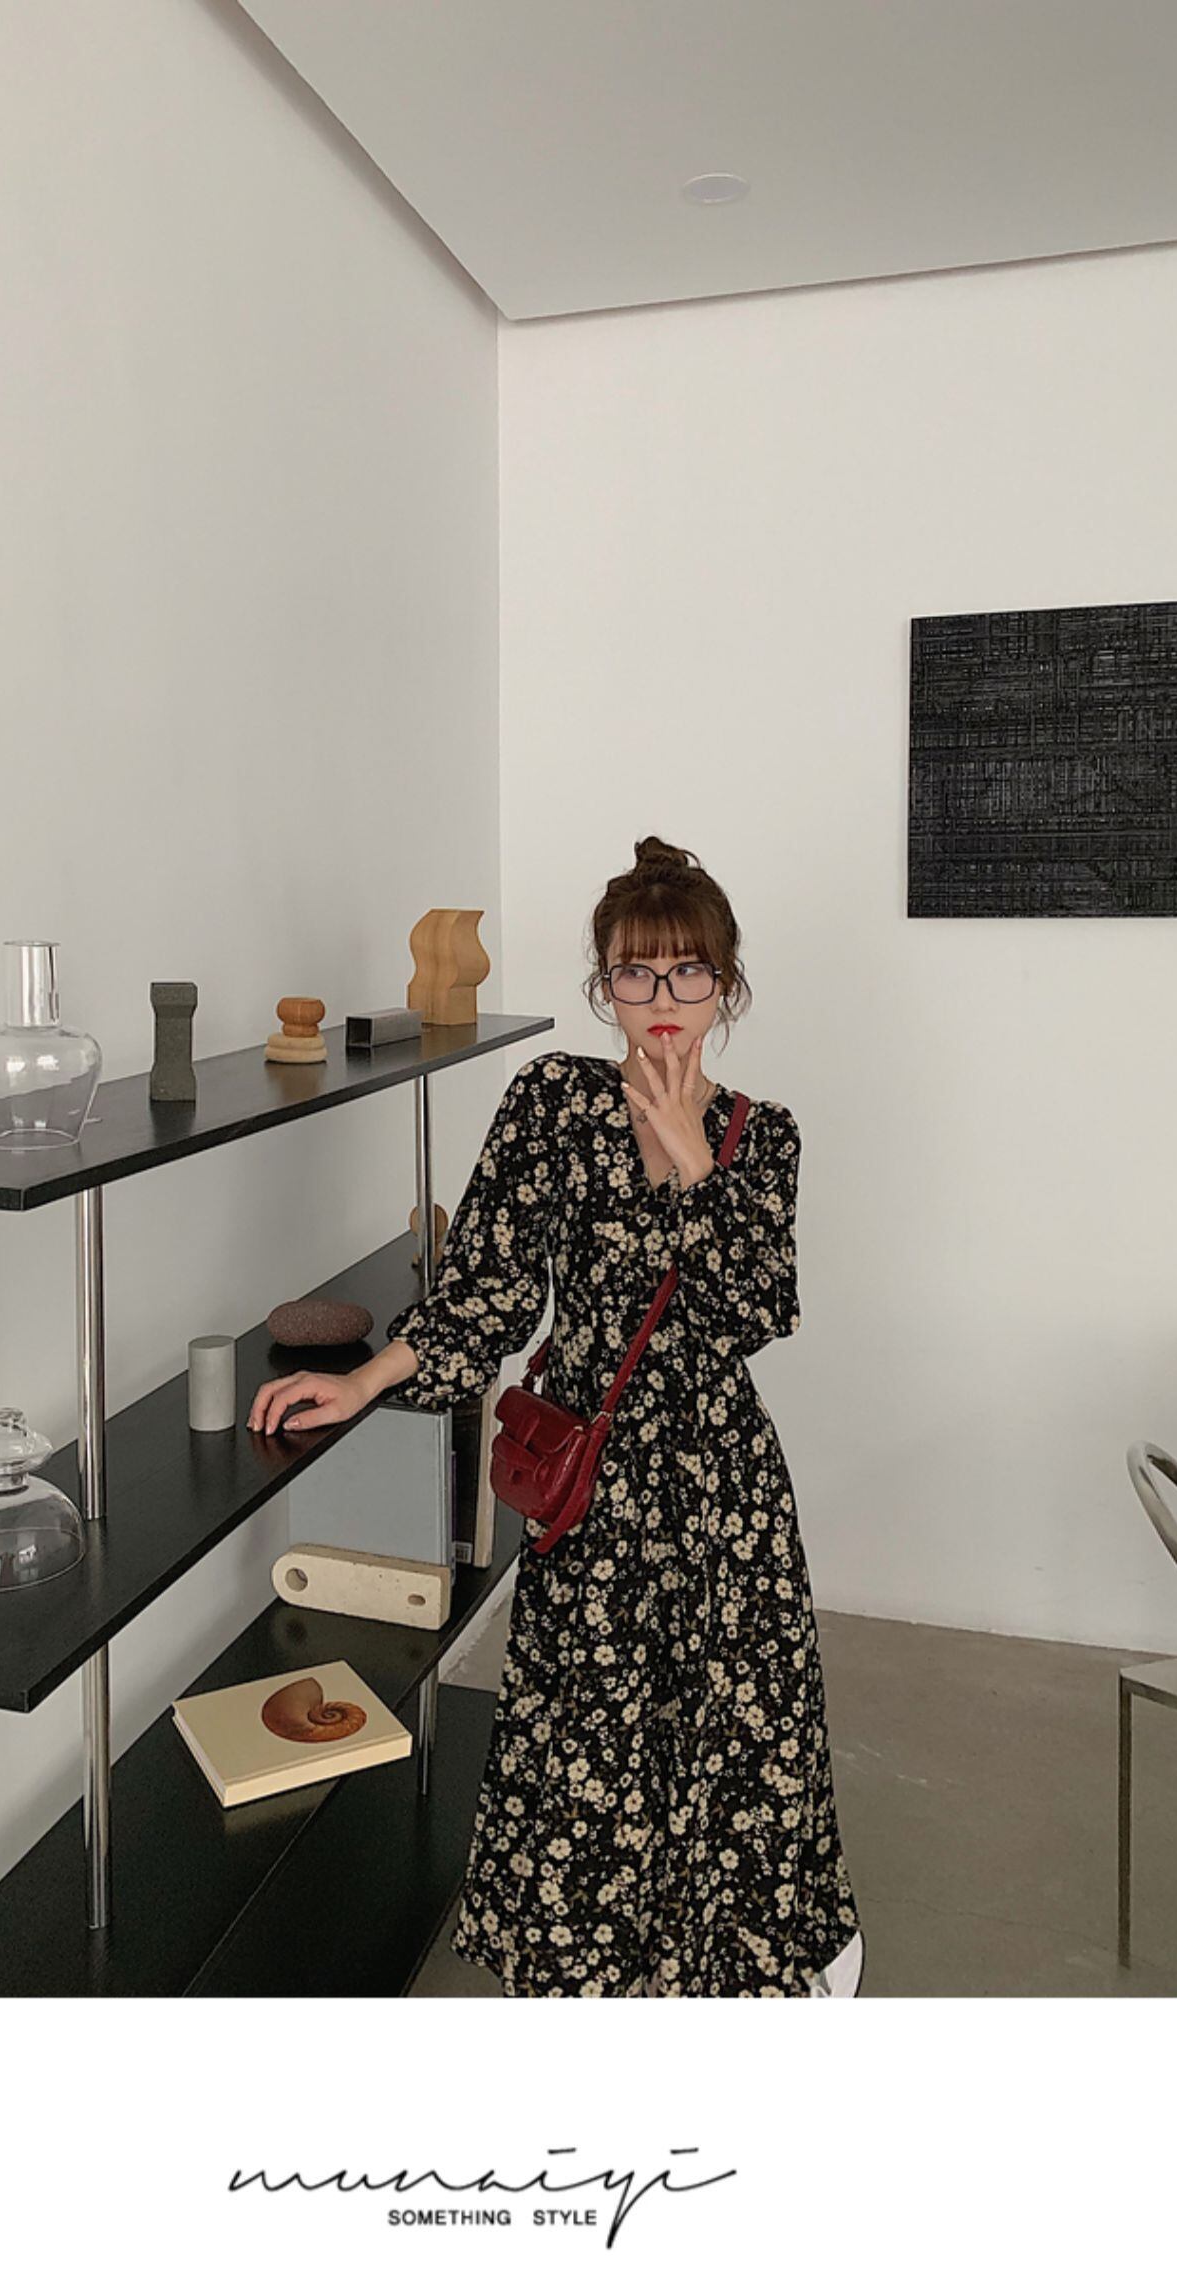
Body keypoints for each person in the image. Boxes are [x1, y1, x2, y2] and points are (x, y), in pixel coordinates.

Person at [246, 835, 864, 1998]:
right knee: (590, 1735)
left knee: (734, 1729)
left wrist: (691, 1159)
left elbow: (756, 1313)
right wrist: (367, 1380)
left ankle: (733, 1963)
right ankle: (590, 1973)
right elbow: (487, 1288)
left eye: (689, 971)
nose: (663, 995)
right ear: (604, 984)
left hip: (723, 1490)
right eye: (637, 971)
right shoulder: (552, 1101)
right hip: (594, 1483)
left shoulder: (760, 1135)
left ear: (726, 985)